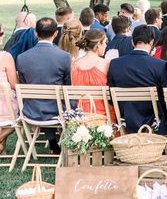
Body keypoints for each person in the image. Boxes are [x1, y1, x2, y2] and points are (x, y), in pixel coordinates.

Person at [16, 17, 71, 154]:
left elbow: (23, 84)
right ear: (55, 34)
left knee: (48, 100)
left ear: (36, 33)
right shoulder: (64, 57)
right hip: (56, 110)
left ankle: (52, 140)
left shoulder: (22, 58)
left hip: (31, 109)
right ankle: (59, 141)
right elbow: (67, 85)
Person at [107, 25, 167, 134]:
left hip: (125, 114)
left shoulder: (115, 64)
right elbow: (165, 96)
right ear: (151, 42)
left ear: (132, 42)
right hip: (152, 114)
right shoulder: (160, 65)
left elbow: (111, 96)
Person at [73, 30, 116, 123]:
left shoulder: (74, 64)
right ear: (98, 45)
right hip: (102, 114)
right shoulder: (106, 64)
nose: (106, 45)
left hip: (79, 113)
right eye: (104, 42)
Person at [0, 48, 18, 153]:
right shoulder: (5, 57)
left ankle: (1, 147)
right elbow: (14, 85)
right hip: (7, 111)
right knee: (23, 114)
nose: (2, 37)